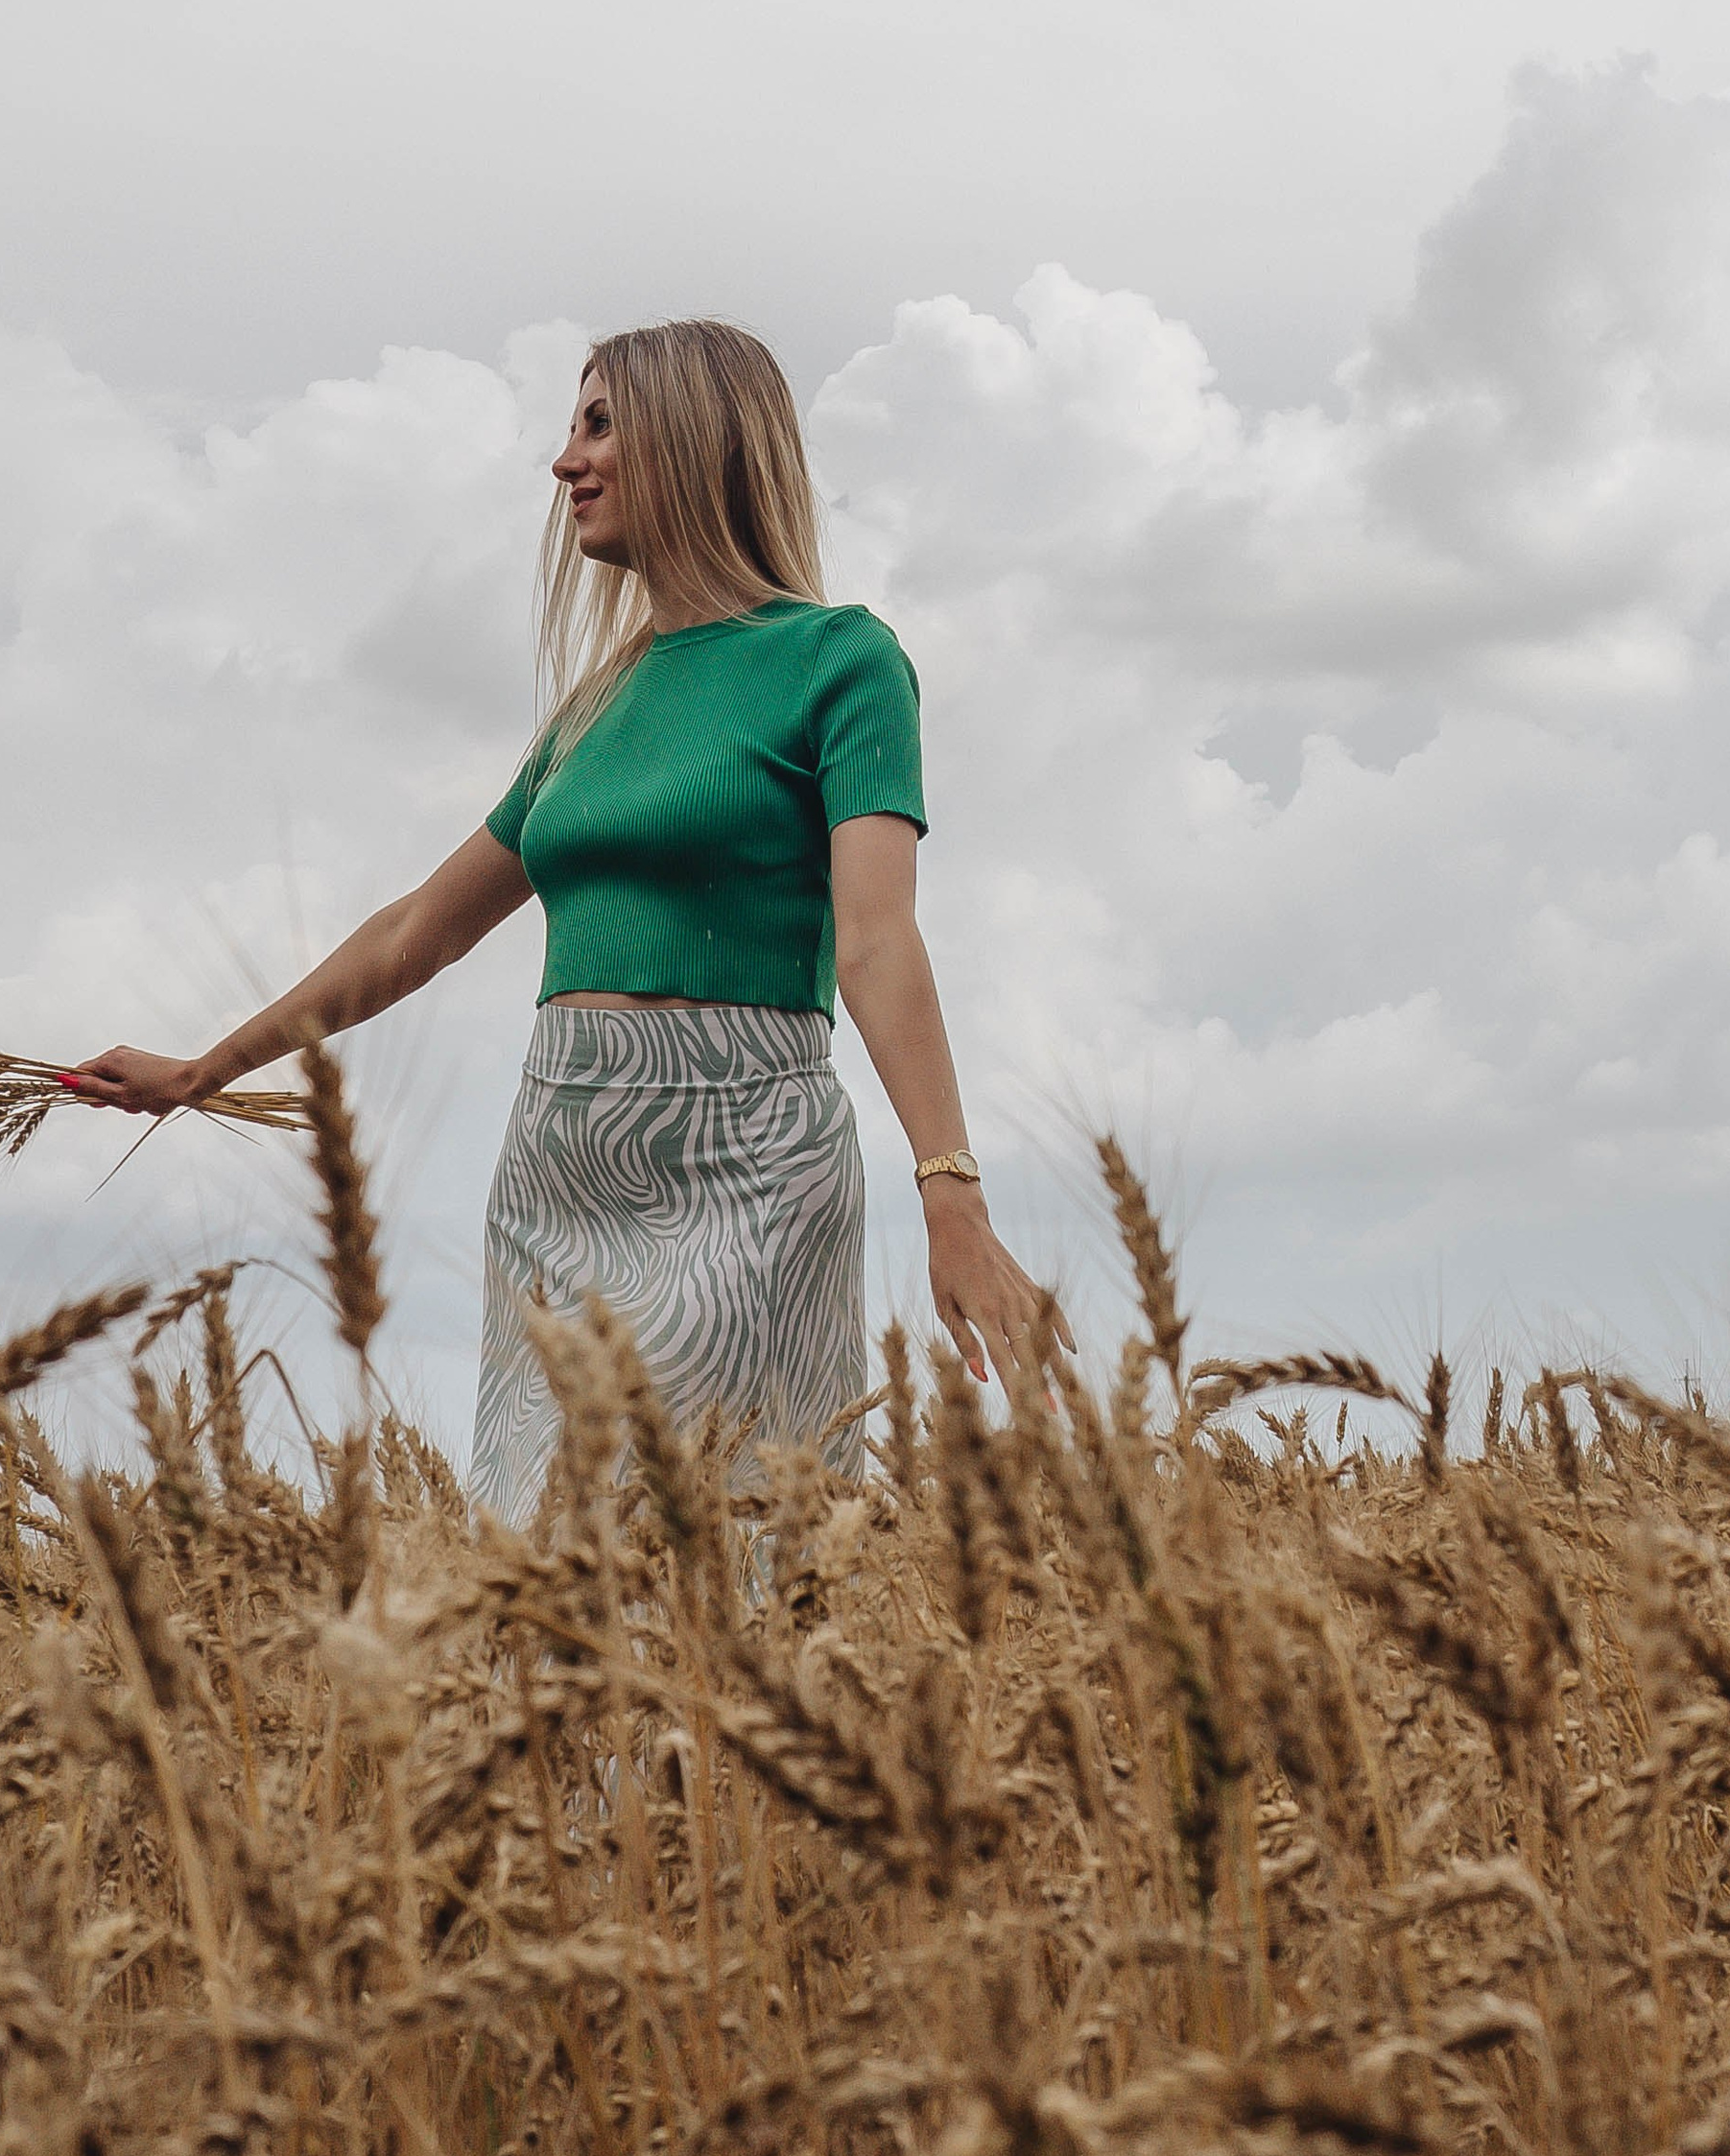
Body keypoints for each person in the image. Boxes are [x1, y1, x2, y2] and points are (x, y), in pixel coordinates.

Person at [63, 317, 1060, 1517]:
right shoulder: (595, 708)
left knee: (714, 1540)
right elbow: (413, 936)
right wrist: (202, 1071)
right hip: (556, 1161)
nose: (563, 460)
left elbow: (876, 938)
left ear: (695, 441)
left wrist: (949, 1191)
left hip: (747, 1152)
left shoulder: (838, 661)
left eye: (598, 423)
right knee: (541, 1551)